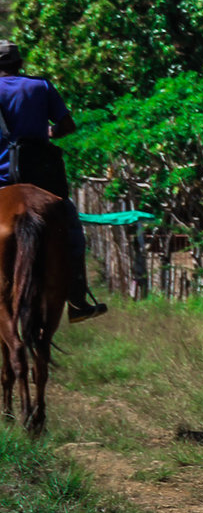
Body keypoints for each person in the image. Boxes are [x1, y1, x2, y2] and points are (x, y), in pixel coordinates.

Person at [0, 40, 107, 320]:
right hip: (42, 178)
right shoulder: (41, 86)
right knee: (70, 226)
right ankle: (77, 298)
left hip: (1, 177)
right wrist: (49, 133)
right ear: (20, 63)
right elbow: (67, 125)